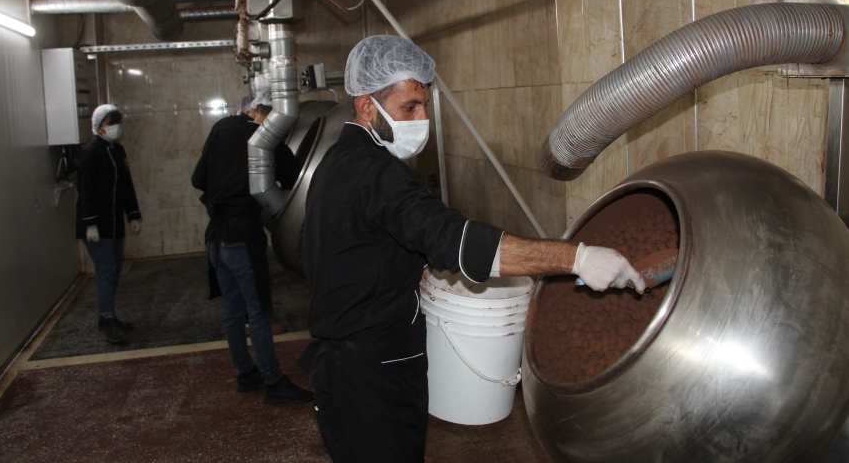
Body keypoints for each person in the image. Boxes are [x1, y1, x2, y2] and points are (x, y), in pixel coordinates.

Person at [299, 35, 646, 462]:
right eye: (410, 107)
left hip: (352, 367)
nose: (422, 118)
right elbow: (459, 241)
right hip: (370, 377)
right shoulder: (377, 175)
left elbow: (355, 246)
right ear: (367, 106)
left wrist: (404, 267)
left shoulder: (338, 163)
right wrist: (576, 257)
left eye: (424, 105)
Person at [191, 91, 312, 404]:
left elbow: (198, 178)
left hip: (215, 236)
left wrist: (226, 189)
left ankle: (246, 373)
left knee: (233, 311)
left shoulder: (220, 129)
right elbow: (295, 179)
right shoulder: (266, 140)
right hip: (243, 236)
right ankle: (274, 383)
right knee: (259, 313)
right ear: (270, 114)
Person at [76, 104, 142, 345]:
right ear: (98, 127)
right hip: (96, 224)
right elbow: (85, 191)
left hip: (114, 222)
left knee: (113, 270)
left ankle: (108, 317)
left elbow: (125, 184)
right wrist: (89, 224)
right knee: (105, 271)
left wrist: (133, 214)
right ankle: (106, 318)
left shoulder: (118, 151)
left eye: (116, 122)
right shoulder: (90, 152)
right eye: (109, 123)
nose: (114, 128)